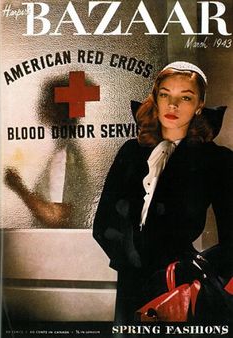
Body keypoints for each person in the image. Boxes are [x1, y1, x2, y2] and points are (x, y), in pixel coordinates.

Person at [93, 61, 233, 324]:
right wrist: (131, 260)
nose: (173, 105)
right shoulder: (130, 152)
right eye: (165, 94)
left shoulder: (217, 160)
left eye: (186, 97)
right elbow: (102, 224)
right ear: (155, 98)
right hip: (130, 281)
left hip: (179, 282)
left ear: (200, 104)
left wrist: (190, 269)